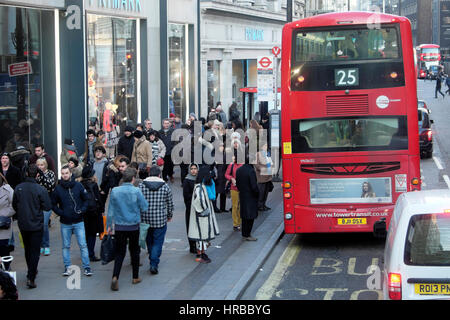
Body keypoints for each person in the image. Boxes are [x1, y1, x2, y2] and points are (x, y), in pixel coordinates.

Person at [107, 168, 148, 291]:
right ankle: (135, 277)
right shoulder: (136, 191)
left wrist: (109, 226)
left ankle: (115, 276)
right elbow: (144, 207)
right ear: (133, 179)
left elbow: (110, 211)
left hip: (119, 226)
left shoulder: (115, 191)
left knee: (120, 253)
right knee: (134, 251)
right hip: (133, 225)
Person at [12, 164, 52, 288]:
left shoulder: (19, 188)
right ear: (37, 175)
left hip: (23, 223)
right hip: (36, 223)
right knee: (34, 251)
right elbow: (47, 206)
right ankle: (31, 275)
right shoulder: (40, 189)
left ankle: (31, 271)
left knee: (28, 249)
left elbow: (14, 205)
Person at [51, 165, 92, 277]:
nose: (64, 175)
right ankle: (67, 267)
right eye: (62, 173)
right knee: (66, 246)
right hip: (65, 222)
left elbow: (86, 199)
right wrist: (61, 213)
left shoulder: (78, 185)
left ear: (70, 174)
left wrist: (82, 210)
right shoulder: (58, 188)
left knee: (83, 245)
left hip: (79, 221)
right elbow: (53, 204)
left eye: (66, 173)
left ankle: (87, 267)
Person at [139, 166, 174, 274]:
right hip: (160, 219)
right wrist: (169, 215)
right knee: (158, 242)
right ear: (159, 175)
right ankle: (154, 262)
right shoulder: (165, 187)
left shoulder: (141, 186)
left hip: (145, 218)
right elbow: (170, 203)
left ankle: (152, 257)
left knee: (149, 240)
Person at [188, 166, 219, 263]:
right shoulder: (200, 187)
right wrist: (205, 210)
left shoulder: (200, 185)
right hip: (201, 216)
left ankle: (201, 253)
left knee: (202, 236)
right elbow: (200, 201)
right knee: (201, 236)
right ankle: (200, 254)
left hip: (201, 216)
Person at [79, 165, 104, 262]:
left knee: (85, 233)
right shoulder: (93, 185)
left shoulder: (80, 185)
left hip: (84, 212)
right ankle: (90, 253)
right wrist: (101, 210)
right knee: (92, 234)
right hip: (94, 212)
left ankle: (84, 253)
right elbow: (98, 199)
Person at [35, 158, 56, 256]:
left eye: (41, 165)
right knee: (38, 225)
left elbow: (50, 186)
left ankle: (46, 245)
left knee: (44, 224)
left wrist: (42, 176)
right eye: (38, 165)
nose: (40, 167)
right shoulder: (35, 175)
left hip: (47, 202)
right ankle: (40, 245)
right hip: (36, 203)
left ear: (45, 165)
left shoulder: (50, 173)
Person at [235, 156, 260, 241]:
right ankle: (248, 234)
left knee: (244, 215)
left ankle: (244, 233)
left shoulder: (239, 170)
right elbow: (254, 186)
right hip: (251, 196)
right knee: (250, 216)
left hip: (242, 195)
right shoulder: (251, 171)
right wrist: (257, 193)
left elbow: (237, 184)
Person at [182, 163, 199, 254]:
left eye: (195, 168)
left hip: (199, 208)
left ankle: (199, 244)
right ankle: (192, 246)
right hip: (190, 207)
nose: (193, 170)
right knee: (190, 227)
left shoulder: (199, 179)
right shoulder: (187, 180)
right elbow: (186, 195)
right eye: (192, 169)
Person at [0, 173, 15, 270]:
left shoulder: (7, 189)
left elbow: (14, 205)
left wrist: (3, 214)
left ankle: (6, 272)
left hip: (3, 226)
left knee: (4, 252)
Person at [254, 143, 273, 211]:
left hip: (268, 176)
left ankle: (263, 205)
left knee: (266, 192)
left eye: (267, 146)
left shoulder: (267, 153)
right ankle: (259, 206)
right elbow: (256, 164)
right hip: (261, 177)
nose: (266, 147)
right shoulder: (258, 154)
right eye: (265, 145)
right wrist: (263, 169)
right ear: (261, 147)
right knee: (261, 192)